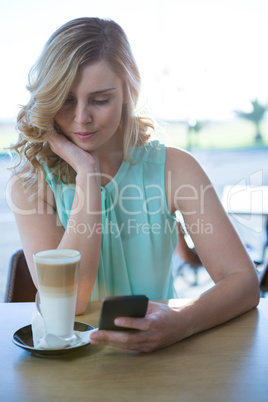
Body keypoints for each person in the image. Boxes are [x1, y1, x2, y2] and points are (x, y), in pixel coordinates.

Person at [8, 17, 259, 353]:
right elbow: (75, 301)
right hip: (71, 366)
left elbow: (243, 282)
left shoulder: (175, 168)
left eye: (99, 100)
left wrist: (183, 322)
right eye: (66, 100)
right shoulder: (30, 182)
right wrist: (87, 173)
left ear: (129, 92)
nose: (82, 118)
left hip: (161, 356)